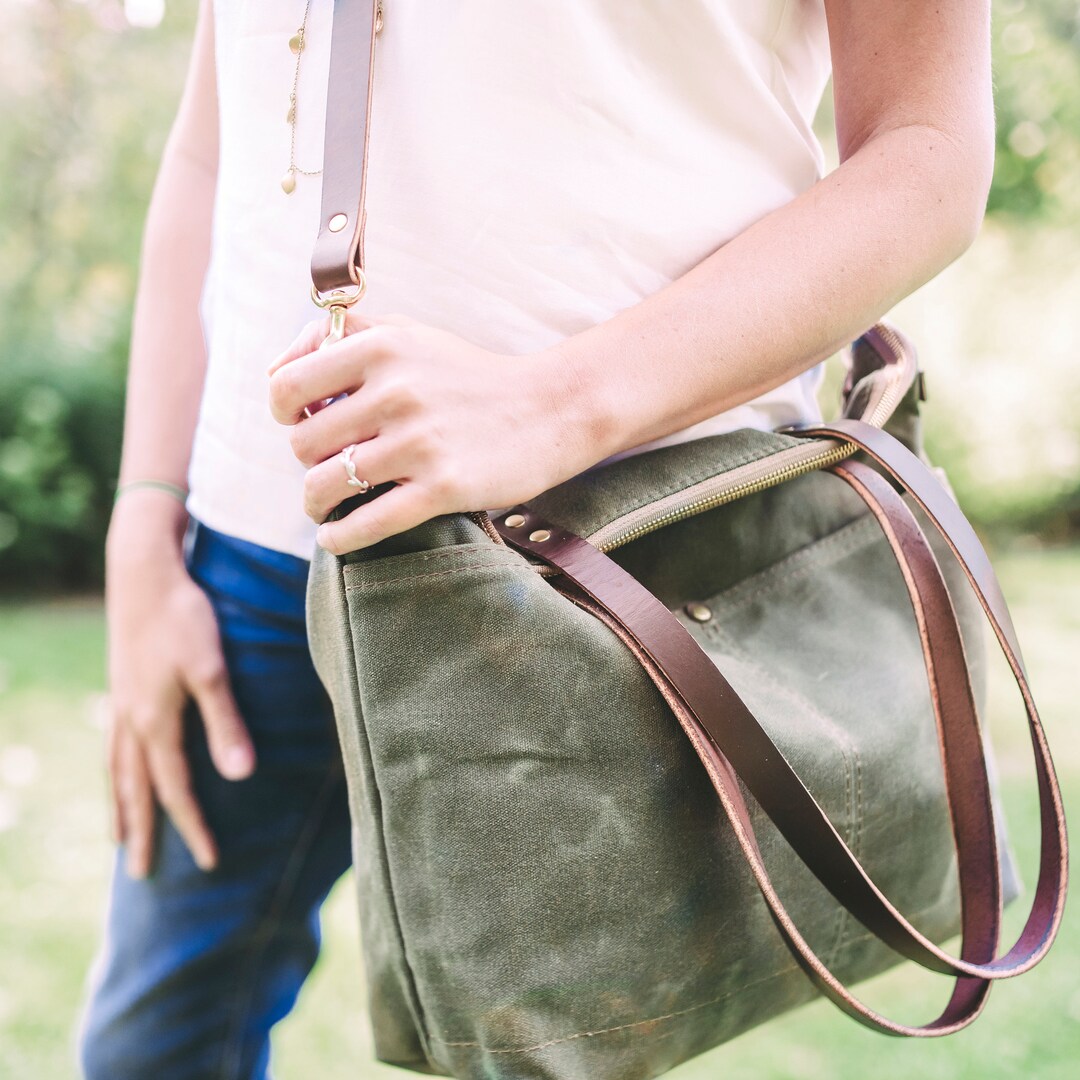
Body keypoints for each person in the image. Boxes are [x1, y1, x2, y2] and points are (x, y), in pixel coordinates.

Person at [79, 0, 994, 1076]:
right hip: (256, 560)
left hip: (604, 571)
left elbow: (928, 155)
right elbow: (210, 147)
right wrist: (146, 522)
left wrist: (551, 408)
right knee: (153, 1045)